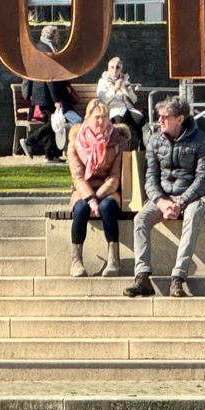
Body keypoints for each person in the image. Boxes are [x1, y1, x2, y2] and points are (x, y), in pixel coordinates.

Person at [123, 97, 205, 299]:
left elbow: (204, 178)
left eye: (165, 117)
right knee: (140, 219)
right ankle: (142, 276)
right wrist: (161, 201)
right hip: (163, 197)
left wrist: (181, 202)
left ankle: (178, 277)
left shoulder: (201, 141)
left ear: (180, 119)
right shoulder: (155, 140)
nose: (160, 121)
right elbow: (150, 178)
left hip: (192, 197)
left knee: (192, 216)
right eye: (159, 116)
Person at [65, 99, 130, 278]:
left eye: (105, 117)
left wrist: (99, 196)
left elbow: (116, 176)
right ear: (87, 118)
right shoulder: (75, 142)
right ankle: (76, 260)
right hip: (84, 190)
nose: (101, 121)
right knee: (81, 208)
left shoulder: (118, 141)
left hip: (109, 190)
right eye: (97, 117)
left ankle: (113, 258)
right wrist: (90, 198)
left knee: (107, 207)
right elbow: (77, 177)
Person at [19, 24, 77, 163]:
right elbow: (50, 78)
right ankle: (29, 141)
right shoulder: (46, 50)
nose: (57, 38)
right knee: (52, 124)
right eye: (56, 35)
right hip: (47, 95)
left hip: (44, 93)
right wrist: (56, 99)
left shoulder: (42, 48)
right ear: (52, 36)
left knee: (52, 124)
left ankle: (50, 155)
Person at [96, 56, 145, 149]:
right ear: (108, 68)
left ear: (121, 68)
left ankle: (141, 148)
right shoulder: (103, 81)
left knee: (140, 119)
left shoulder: (124, 80)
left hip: (128, 108)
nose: (115, 70)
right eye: (112, 67)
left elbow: (134, 100)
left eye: (117, 67)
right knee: (117, 122)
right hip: (114, 109)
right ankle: (117, 149)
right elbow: (103, 100)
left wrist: (127, 89)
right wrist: (115, 89)